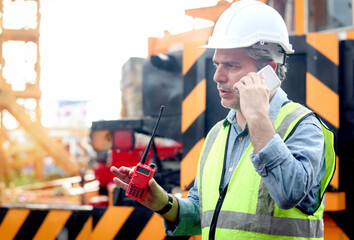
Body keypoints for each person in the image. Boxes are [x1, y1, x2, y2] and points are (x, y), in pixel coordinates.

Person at [110, 0, 336, 239]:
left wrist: (258, 116)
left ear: (267, 71)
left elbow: (289, 193)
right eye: (217, 64)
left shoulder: (303, 127)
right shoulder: (219, 133)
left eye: (231, 65)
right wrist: (162, 203)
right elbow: (203, 214)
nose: (217, 76)